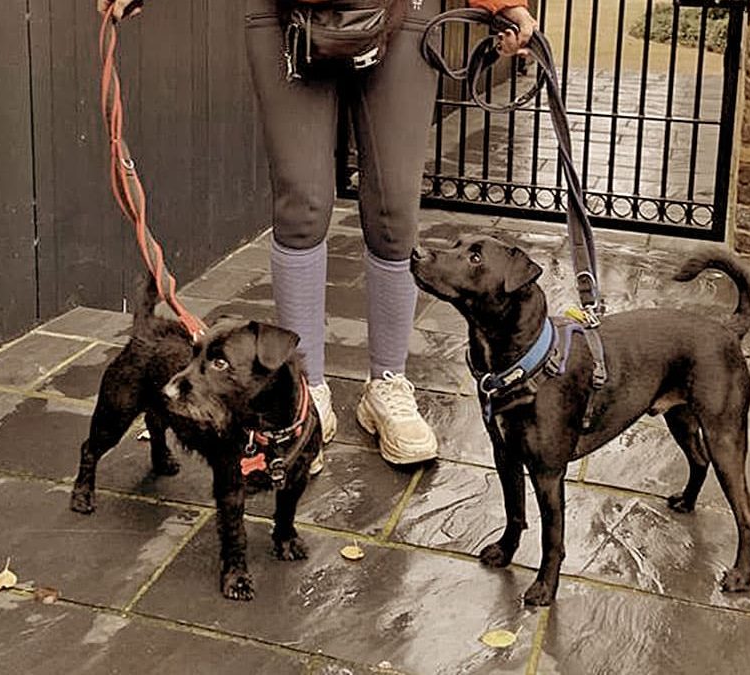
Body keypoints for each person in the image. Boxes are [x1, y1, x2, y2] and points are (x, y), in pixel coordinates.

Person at [98, 0, 537, 472]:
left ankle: (388, 384)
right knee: (302, 206)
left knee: (394, 211)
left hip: (405, 12)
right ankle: (308, 393)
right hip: (285, 11)